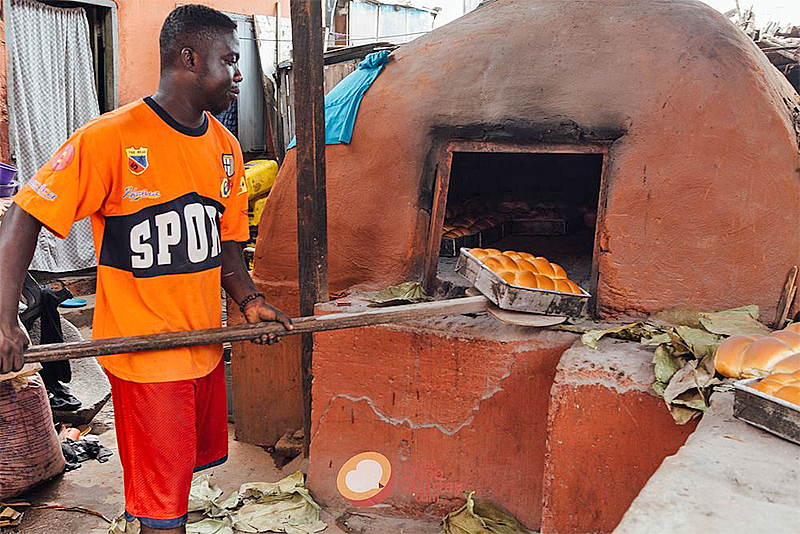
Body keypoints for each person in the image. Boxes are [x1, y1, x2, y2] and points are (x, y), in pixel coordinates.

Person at [0, 5, 293, 533]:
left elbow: (227, 243)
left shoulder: (225, 149)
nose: (239, 74)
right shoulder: (110, 138)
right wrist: (4, 318)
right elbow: (26, 212)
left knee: (174, 486)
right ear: (189, 58)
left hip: (202, 347)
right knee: (164, 513)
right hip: (144, 357)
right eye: (228, 61)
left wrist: (249, 301)